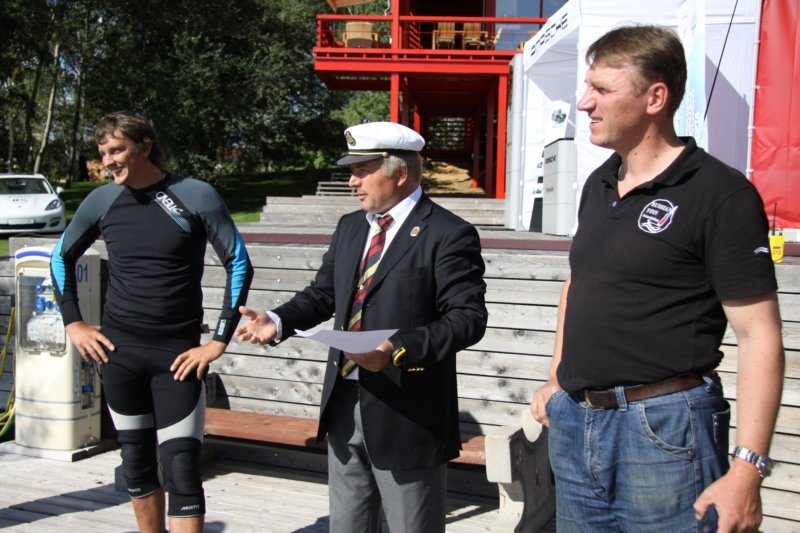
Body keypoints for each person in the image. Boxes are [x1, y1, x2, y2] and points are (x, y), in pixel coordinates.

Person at [529, 25, 784, 532]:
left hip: (664, 430)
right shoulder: (600, 182)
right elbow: (580, 283)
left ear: (655, 98)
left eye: (602, 89)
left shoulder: (720, 194)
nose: (584, 103)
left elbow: (760, 337)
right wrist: (558, 376)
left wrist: (747, 470)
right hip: (575, 422)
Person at [236, 121, 488, 533]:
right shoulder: (351, 227)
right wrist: (278, 320)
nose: (352, 181)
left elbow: (467, 319)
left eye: (361, 170)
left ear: (399, 172)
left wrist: (395, 349)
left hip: (407, 413)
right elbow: (323, 295)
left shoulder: (448, 233)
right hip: (343, 406)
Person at [50, 111, 253, 533]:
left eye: (117, 149)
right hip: (119, 354)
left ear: (144, 146)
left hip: (176, 357)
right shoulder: (101, 200)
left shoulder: (194, 194)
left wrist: (218, 341)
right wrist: (74, 323)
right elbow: (59, 258)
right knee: (136, 463)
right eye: (103, 153)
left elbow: (238, 262)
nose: (108, 161)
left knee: (181, 468)